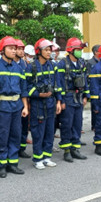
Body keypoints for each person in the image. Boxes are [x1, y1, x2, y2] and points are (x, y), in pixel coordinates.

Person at [0, 36, 29, 178]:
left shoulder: (19, 68)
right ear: (2, 50)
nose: (14, 50)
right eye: (10, 48)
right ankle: (2, 165)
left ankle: (13, 163)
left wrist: (25, 107)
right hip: (2, 106)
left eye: (15, 48)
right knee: (2, 136)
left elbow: (23, 90)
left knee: (15, 135)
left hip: (17, 106)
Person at [26, 38, 62, 169]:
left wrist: (58, 101)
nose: (49, 52)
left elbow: (57, 85)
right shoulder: (32, 66)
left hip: (51, 103)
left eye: (50, 50)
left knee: (49, 131)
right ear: (39, 51)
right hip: (38, 104)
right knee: (38, 132)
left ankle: (47, 157)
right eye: (46, 50)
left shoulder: (53, 66)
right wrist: (38, 94)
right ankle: (38, 158)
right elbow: (27, 86)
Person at [55, 37, 89, 162]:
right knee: (67, 125)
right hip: (68, 98)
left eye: (80, 49)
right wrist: (61, 100)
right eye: (78, 49)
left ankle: (75, 148)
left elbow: (85, 80)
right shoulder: (63, 64)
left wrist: (86, 96)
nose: (80, 51)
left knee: (77, 124)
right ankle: (67, 150)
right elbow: (59, 84)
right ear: (70, 50)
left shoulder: (82, 63)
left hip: (79, 98)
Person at [15, 39, 31, 159]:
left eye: (22, 49)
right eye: (18, 49)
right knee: (14, 126)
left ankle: (21, 147)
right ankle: (14, 148)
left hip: (24, 98)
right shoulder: (9, 63)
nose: (21, 51)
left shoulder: (25, 64)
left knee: (24, 124)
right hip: (13, 99)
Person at [87, 44, 101, 132]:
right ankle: (94, 125)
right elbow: (88, 76)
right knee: (94, 107)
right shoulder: (90, 62)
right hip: (94, 87)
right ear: (96, 52)